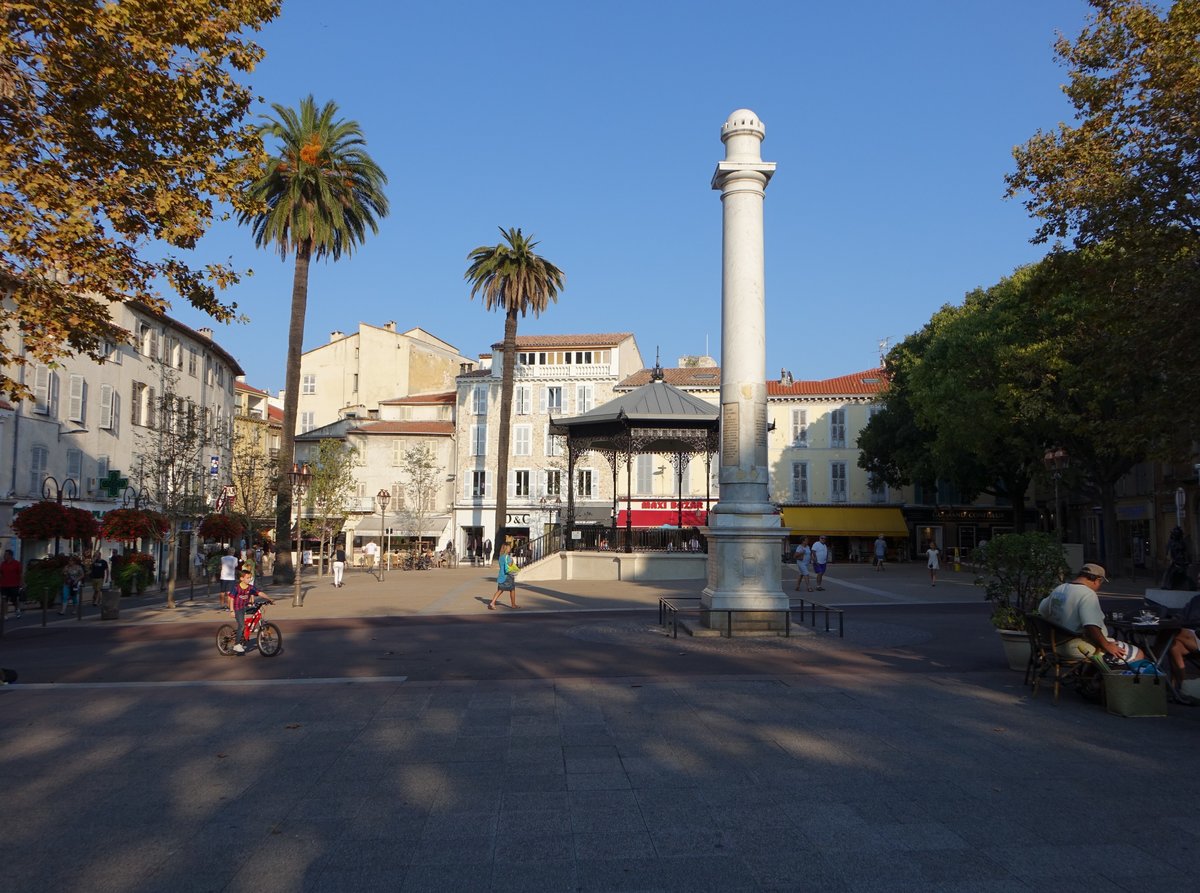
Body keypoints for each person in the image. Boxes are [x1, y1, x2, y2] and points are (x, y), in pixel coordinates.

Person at [1038, 563, 1142, 663]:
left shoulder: (1060, 589)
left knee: (1109, 645)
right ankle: (1113, 679)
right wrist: (1107, 645)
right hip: (1075, 646)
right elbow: (1091, 626)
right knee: (1138, 653)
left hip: (1053, 644)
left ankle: (1091, 676)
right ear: (1097, 580)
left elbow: (1042, 611)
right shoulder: (1087, 594)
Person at [229, 567, 273, 654]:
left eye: (250, 577)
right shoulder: (236, 588)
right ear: (242, 578)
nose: (250, 579)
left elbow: (259, 593)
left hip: (246, 606)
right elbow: (231, 599)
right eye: (248, 578)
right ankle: (237, 645)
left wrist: (269, 598)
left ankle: (251, 626)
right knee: (241, 625)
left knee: (257, 610)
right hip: (237, 608)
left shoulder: (250, 588)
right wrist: (231, 611)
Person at [487, 542, 519, 610]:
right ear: (506, 548)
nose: (510, 548)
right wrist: (512, 561)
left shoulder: (501, 557)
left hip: (501, 575)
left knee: (500, 590)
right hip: (508, 576)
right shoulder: (507, 557)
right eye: (509, 547)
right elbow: (510, 565)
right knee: (512, 590)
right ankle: (513, 604)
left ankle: (492, 602)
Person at [1, 549, 22, 618]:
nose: (4, 556)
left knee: (14, 599)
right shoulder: (3, 564)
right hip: (4, 585)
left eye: (6, 554)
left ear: (10, 555)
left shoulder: (16, 563)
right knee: (4, 600)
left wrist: (22, 583)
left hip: (14, 585)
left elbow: (20, 574)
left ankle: (17, 609)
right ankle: (5, 614)